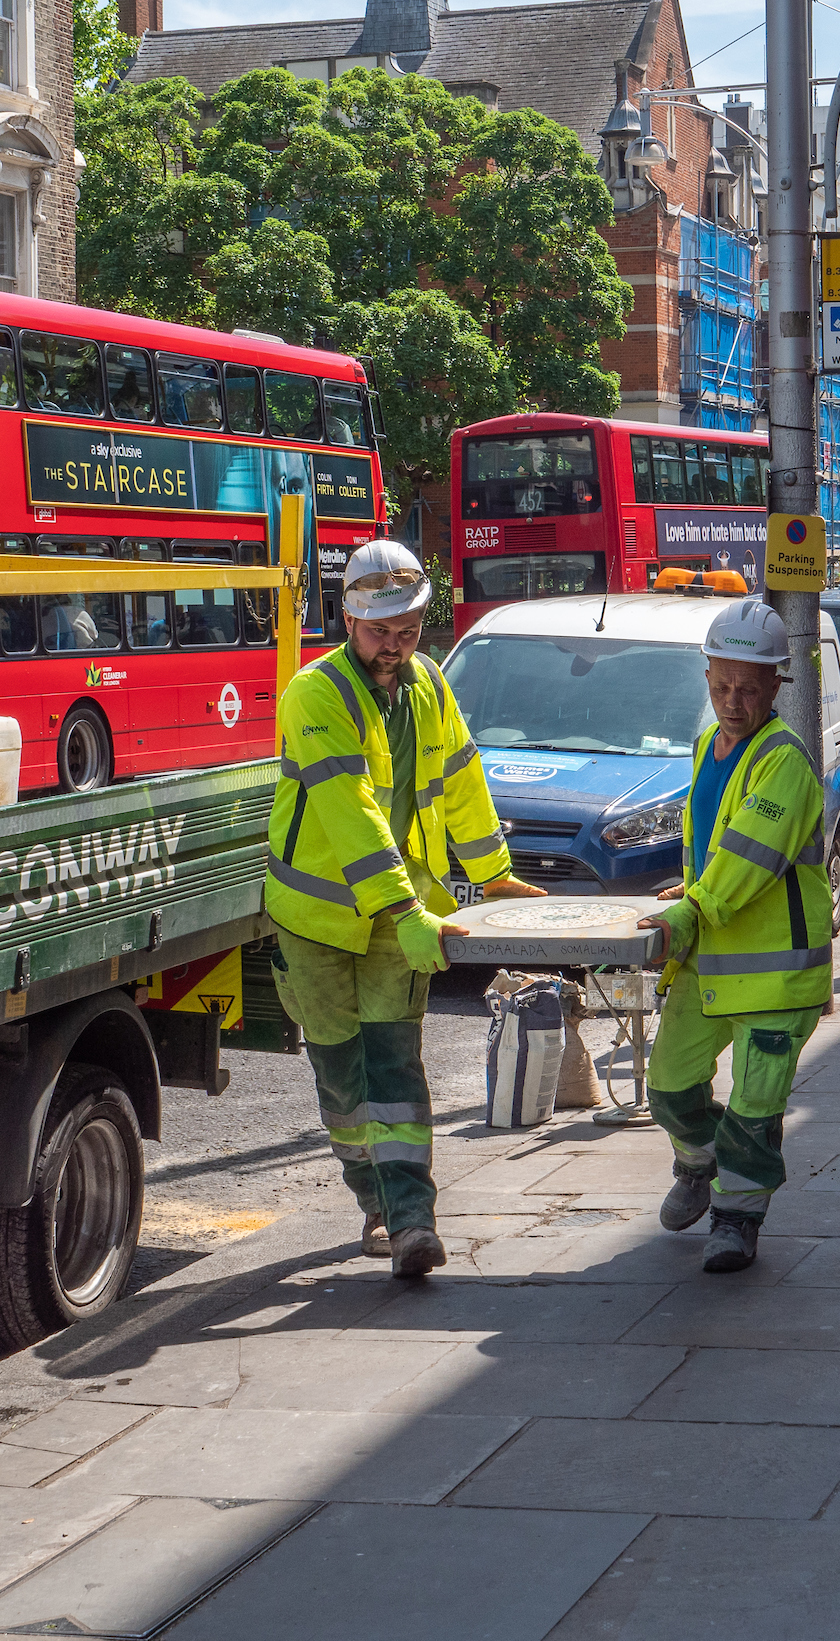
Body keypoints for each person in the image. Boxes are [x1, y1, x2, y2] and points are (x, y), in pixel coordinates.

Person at [264, 537, 543, 1278]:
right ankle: (374, 1198)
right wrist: (406, 910)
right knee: (344, 1080)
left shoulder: (427, 685)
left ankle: (410, 1218)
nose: (395, 647)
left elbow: (460, 775)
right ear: (349, 620)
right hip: (320, 923)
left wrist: (495, 872)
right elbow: (349, 810)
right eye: (381, 632)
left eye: (409, 631)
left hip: (399, 918)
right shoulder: (314, 694)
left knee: (393, 1063)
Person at [634, 598, 835, 1273]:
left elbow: (749, 855)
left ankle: (736, 1221)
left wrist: (693, 909)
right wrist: (687, 890)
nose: (733, 701)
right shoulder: (705, 749)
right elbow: (714, 845)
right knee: (667, 1089)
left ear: (777, 685)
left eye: (749, 688)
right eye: (721, 686)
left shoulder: (785, 761)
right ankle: (700, 1162)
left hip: (777, 976)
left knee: (755, 1105)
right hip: (710, 962)